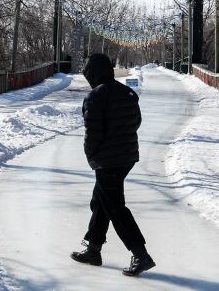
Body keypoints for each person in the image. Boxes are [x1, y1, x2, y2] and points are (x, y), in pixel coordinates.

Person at [70, 53, 155, 277]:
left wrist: (92, 155)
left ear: (92, 73)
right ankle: (93, 248)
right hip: (127, 157)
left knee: (115, 206)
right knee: (101, 201)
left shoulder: (96, 96)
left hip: (108, 160)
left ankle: (140, 254)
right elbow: (136, 122)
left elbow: (93, 133)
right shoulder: (127, 92)